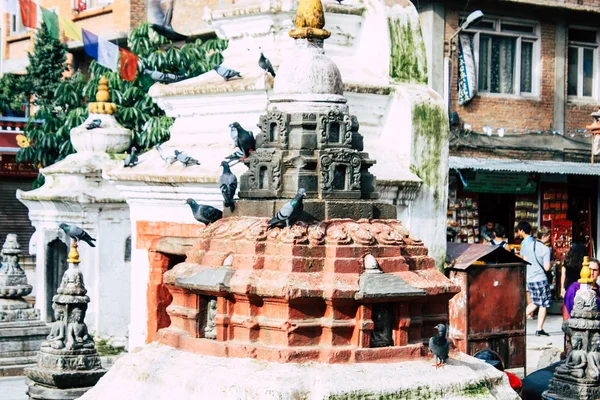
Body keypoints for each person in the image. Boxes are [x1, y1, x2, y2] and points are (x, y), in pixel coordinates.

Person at [518, 221, 552, 336]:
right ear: (544, 236)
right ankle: (538, 328)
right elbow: (547, 268)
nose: (550, 238)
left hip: (530, 278)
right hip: (541, 278)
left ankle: (520, 319)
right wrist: (551, 263)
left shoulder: (529, 245)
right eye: (549, 236)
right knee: (543, 303)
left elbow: (525, 259)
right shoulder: (546, 250)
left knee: (536, 302)